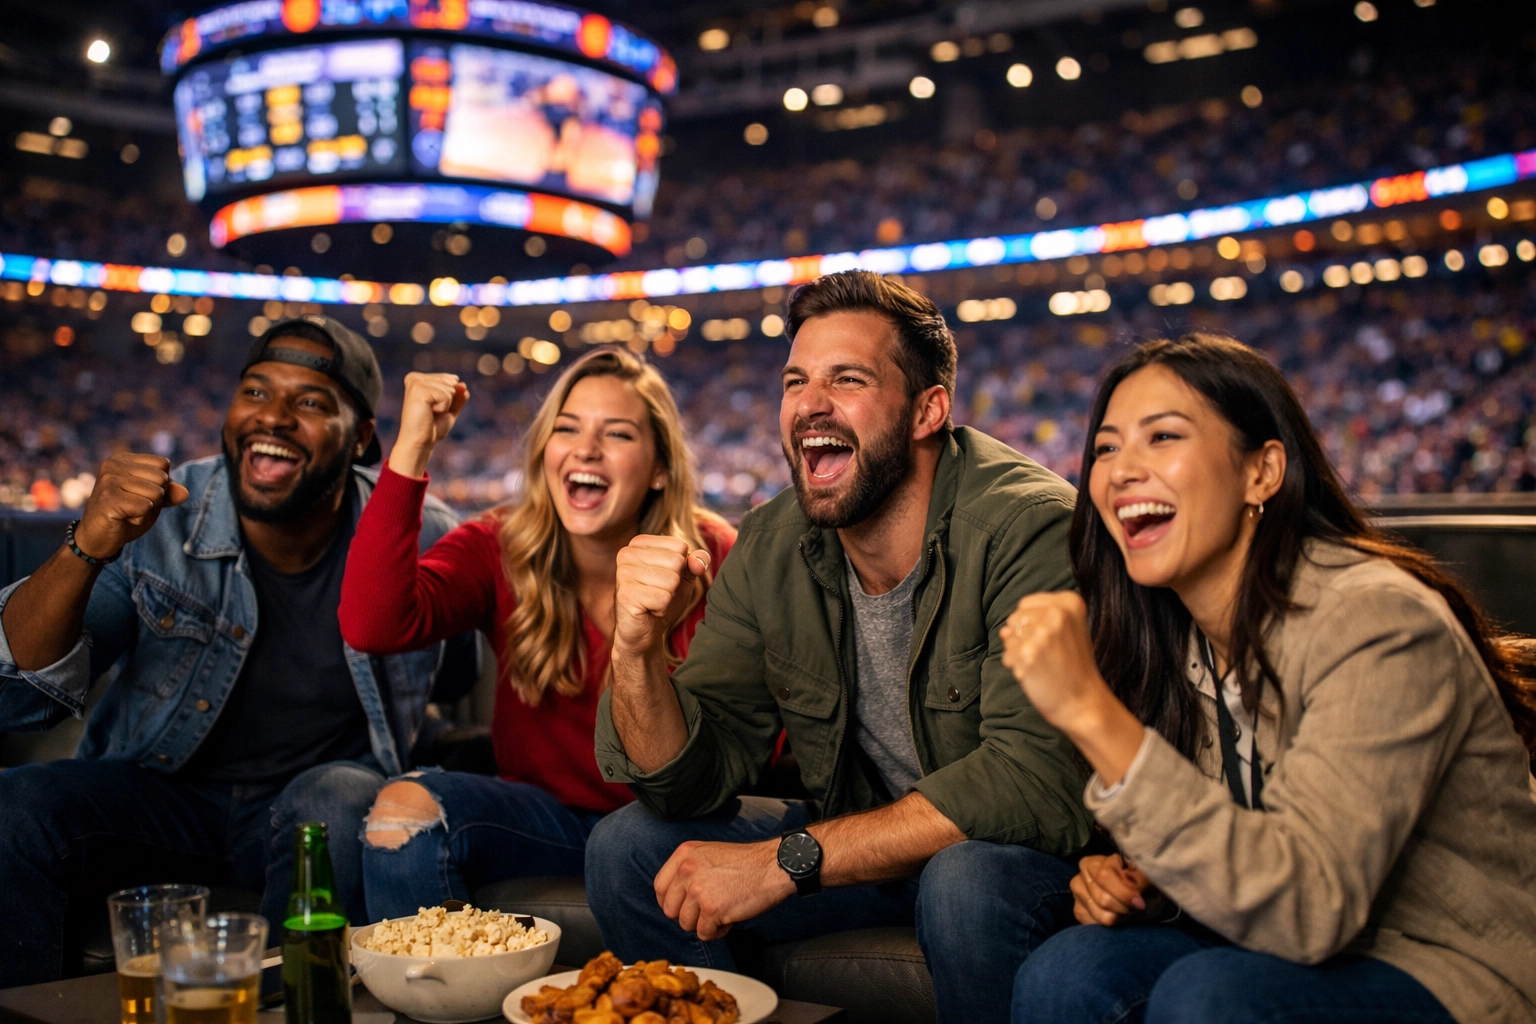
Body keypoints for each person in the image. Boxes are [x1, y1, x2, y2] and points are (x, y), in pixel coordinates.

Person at [586, 270, 1092, 1023]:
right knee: (628, 848)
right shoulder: (770, 542)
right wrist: (635, 650)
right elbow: (683, 784)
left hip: (1029, 861)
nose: (810, 404)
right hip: (878, 849)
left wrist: (787, 861)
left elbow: (1033, 779)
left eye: (847, 379)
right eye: (796, 381)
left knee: (965, 881)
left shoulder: (1029, 526)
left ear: (927, 411)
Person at [1002, 333, 1536, 1024]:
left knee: (1210, 996)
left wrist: (1089, 710)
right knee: (1068, 972)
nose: (1121, 470)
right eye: (1106, 448)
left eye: (1162, 437)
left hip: (1447, 968)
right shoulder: (1174, 635)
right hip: (1268, 944)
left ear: (1262, 472)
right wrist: (1153, 884)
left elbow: (1309, 908)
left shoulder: (1377, 618)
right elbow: (1247, 850)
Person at [0, 317, 470, 985]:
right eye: (255, 391)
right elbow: (19, 697)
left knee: (339, 796)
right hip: (163, 801)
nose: (272, 416)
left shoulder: (422, 535)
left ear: (362, 437)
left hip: (313, 809)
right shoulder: (161, 520)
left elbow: (459, 678)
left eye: (310, 402)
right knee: (15, 807)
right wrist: (87, 544)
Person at [339, 346, 734, 919]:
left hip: (674, 828)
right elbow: (372, 624)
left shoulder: (714, 556)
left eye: (618, 434)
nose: (586, 448)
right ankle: (437, 979)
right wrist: (411, 447)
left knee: (628, 840)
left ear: (659, 469)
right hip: (546, 820)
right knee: (403, 812)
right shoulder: (500, 544)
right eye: (566, 428)